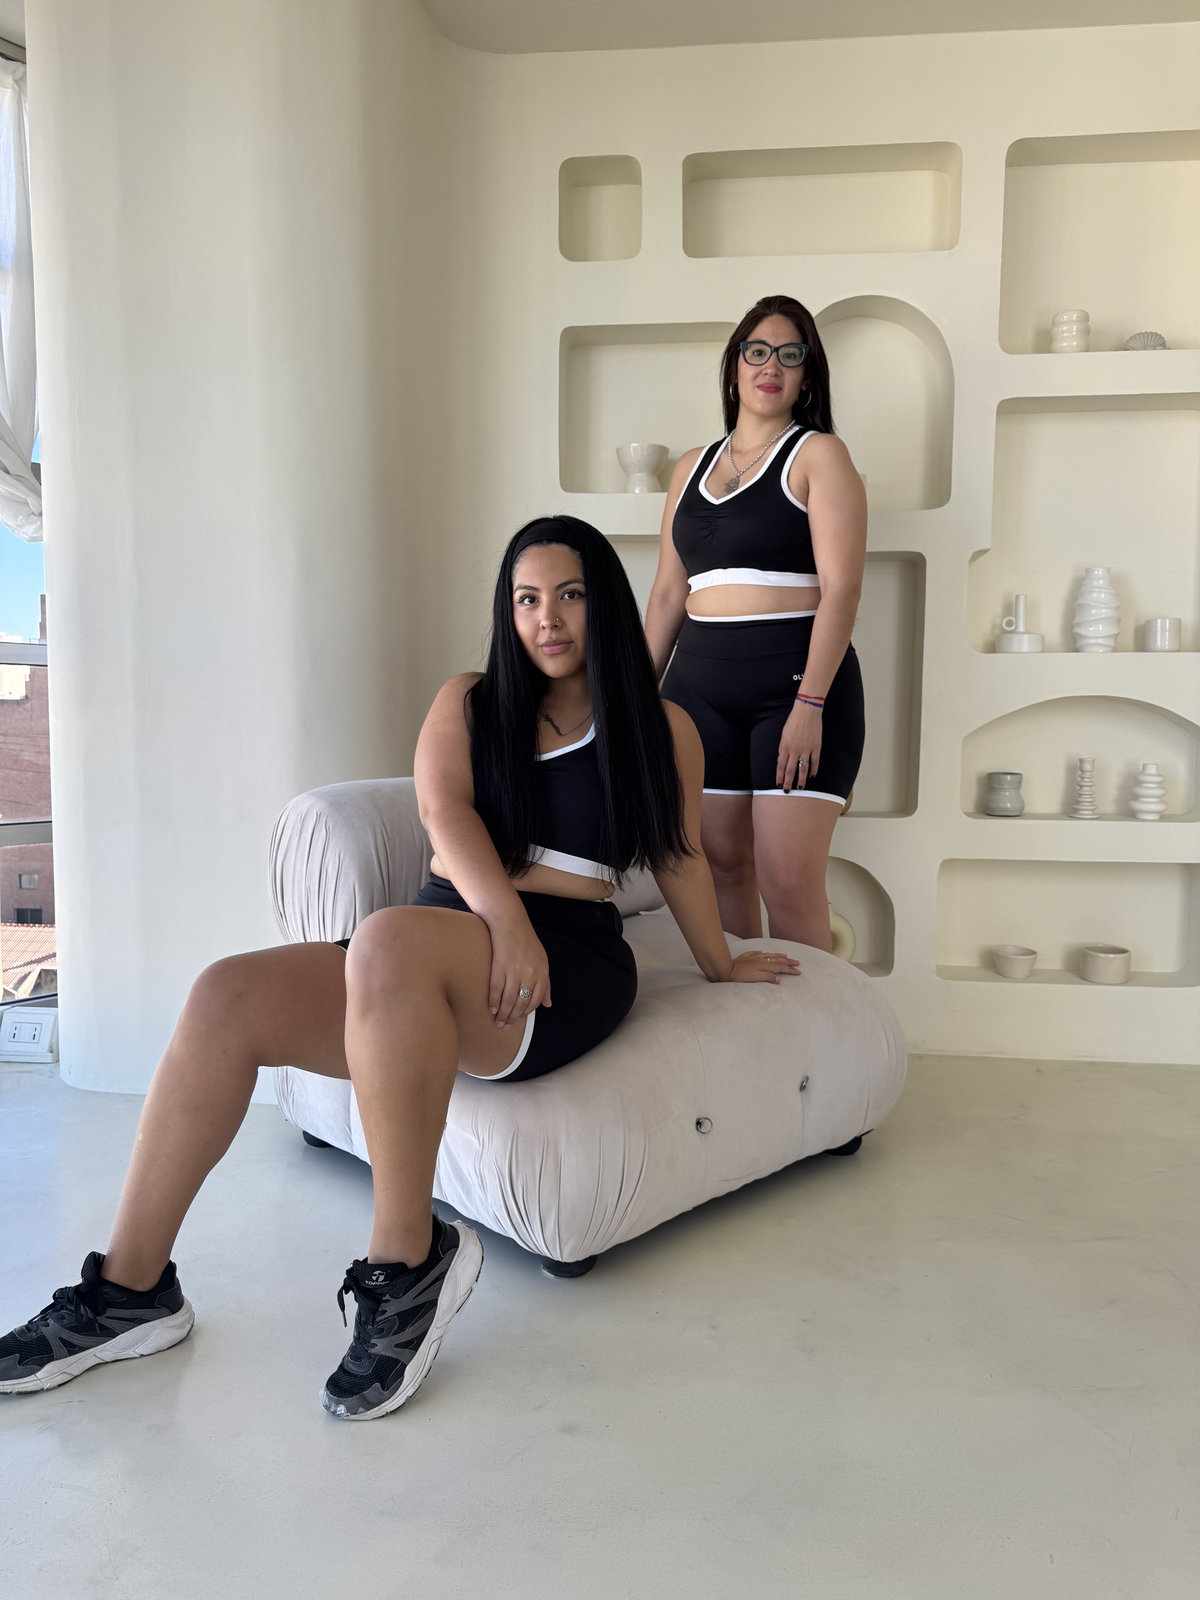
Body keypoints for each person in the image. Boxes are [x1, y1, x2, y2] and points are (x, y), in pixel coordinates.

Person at [0, 516, 797, 1421]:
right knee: (226, 993)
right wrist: (503, 918)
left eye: (570, 595)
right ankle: (130, 1290)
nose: (547, 618)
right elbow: (442, 814)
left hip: (564, 961)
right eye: (526, 599)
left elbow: (681, 854)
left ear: (603, 604)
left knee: (388, 939)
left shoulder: (660, 726)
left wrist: (721, 962)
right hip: (434, 947)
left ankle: (407, 1262)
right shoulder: (470, 701)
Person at [644, 294, 868, 952]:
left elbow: (843, 591)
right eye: (758, 351)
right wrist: (632, 700)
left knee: (789, 883)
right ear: (735, 366)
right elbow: (667, 594)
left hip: (794, 689)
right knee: (720, 867)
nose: (772, 365)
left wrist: (810, 705)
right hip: (698, 691)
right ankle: (746, 1016)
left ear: (807, 377)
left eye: (790, 355)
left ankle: (820, 1025)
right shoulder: (689, 467)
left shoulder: (819, 455)